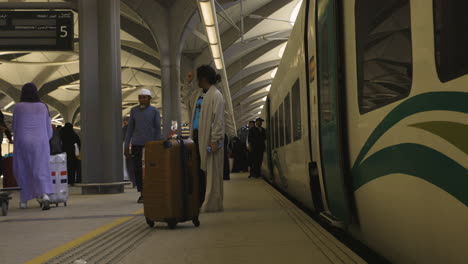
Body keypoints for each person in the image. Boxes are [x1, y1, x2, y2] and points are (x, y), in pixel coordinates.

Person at [187, 65, 225, 213]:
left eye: (197, 79)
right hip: (197, 137)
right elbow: (187, 100)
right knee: (199, 170)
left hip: (209, 140)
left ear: (203, 79)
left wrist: (215, 140)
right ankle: (201, 200)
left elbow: (218, 120)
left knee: (211, 170)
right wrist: (188, 83)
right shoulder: (199, 94)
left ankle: (212, 202)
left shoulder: (216, 95)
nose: (196, 81)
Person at [13, 83, 54, 210]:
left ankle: (24, 200)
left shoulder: (18, 107)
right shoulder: (43, 107)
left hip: (22, 141)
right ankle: (45, 195)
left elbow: (14, 126)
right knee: (41, 167)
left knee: (23, 168)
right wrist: (46, 139)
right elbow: (48, 128)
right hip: (40, 141)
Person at [125, 89, 162, 203]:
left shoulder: (154, 111)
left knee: (150, 169)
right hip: (137, 144)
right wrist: (126, 145)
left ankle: (151, 192)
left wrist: (157, 145)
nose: (142, 100)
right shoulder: (134, 111)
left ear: (149, 99)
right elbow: (130, 129)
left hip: (150, 145)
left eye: (144, 97)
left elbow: (157, 129)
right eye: (140, 97)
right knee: (138, 169)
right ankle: (142, 193)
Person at [122, 116, 135, 188]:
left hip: (126, 146)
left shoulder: (124, 129)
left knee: (127, 163)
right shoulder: (133, 128)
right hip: (131, 146)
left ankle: (127, 176)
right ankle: (132, 179)